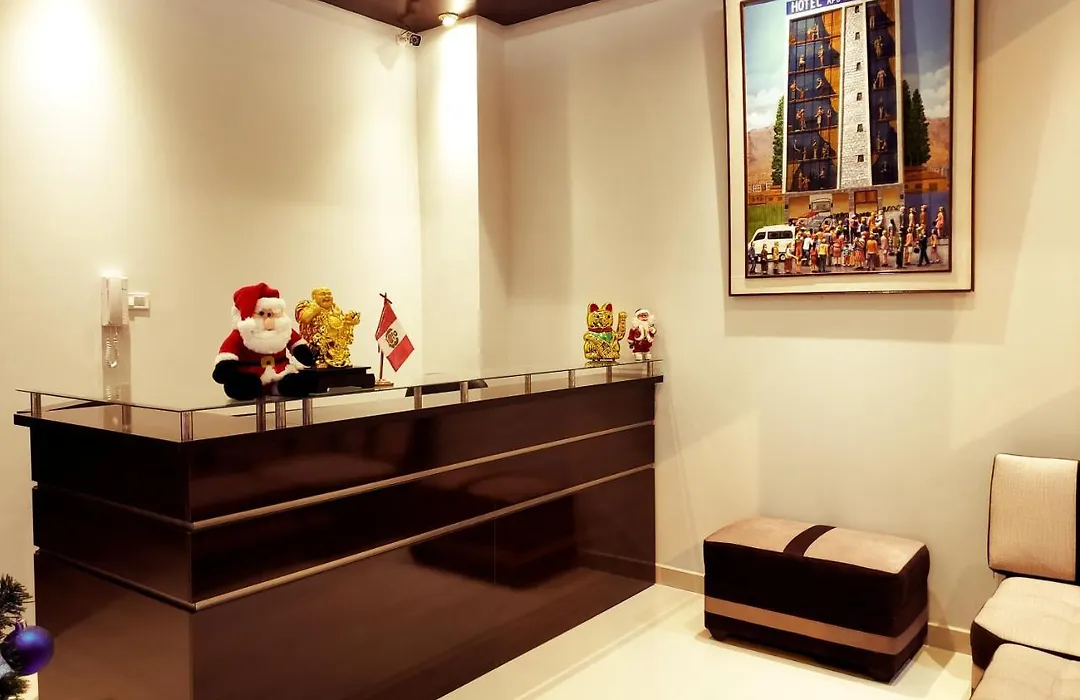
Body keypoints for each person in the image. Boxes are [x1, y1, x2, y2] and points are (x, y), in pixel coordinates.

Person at [295, 287, 361, 369]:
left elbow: (342, 326)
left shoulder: (336, 310)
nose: (327, 296)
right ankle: (321, 358)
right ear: (314, 297)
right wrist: (314, 309)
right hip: (320, 343)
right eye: (322, 294)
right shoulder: (310, 307)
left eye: (329, 294)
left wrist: (350, 322)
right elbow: (304, 319)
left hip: (337, 344)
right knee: (319, 348)